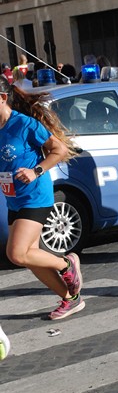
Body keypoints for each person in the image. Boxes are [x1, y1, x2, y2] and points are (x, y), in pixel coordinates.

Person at [0, 77, 85, 319]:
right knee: (31, 257)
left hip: (35, 195)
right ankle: (71, 299)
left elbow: (59, 150)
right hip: (13, 198)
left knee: (16, 254)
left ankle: (67, 264)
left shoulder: (24, 124)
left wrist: (35, 170)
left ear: (2, 98)